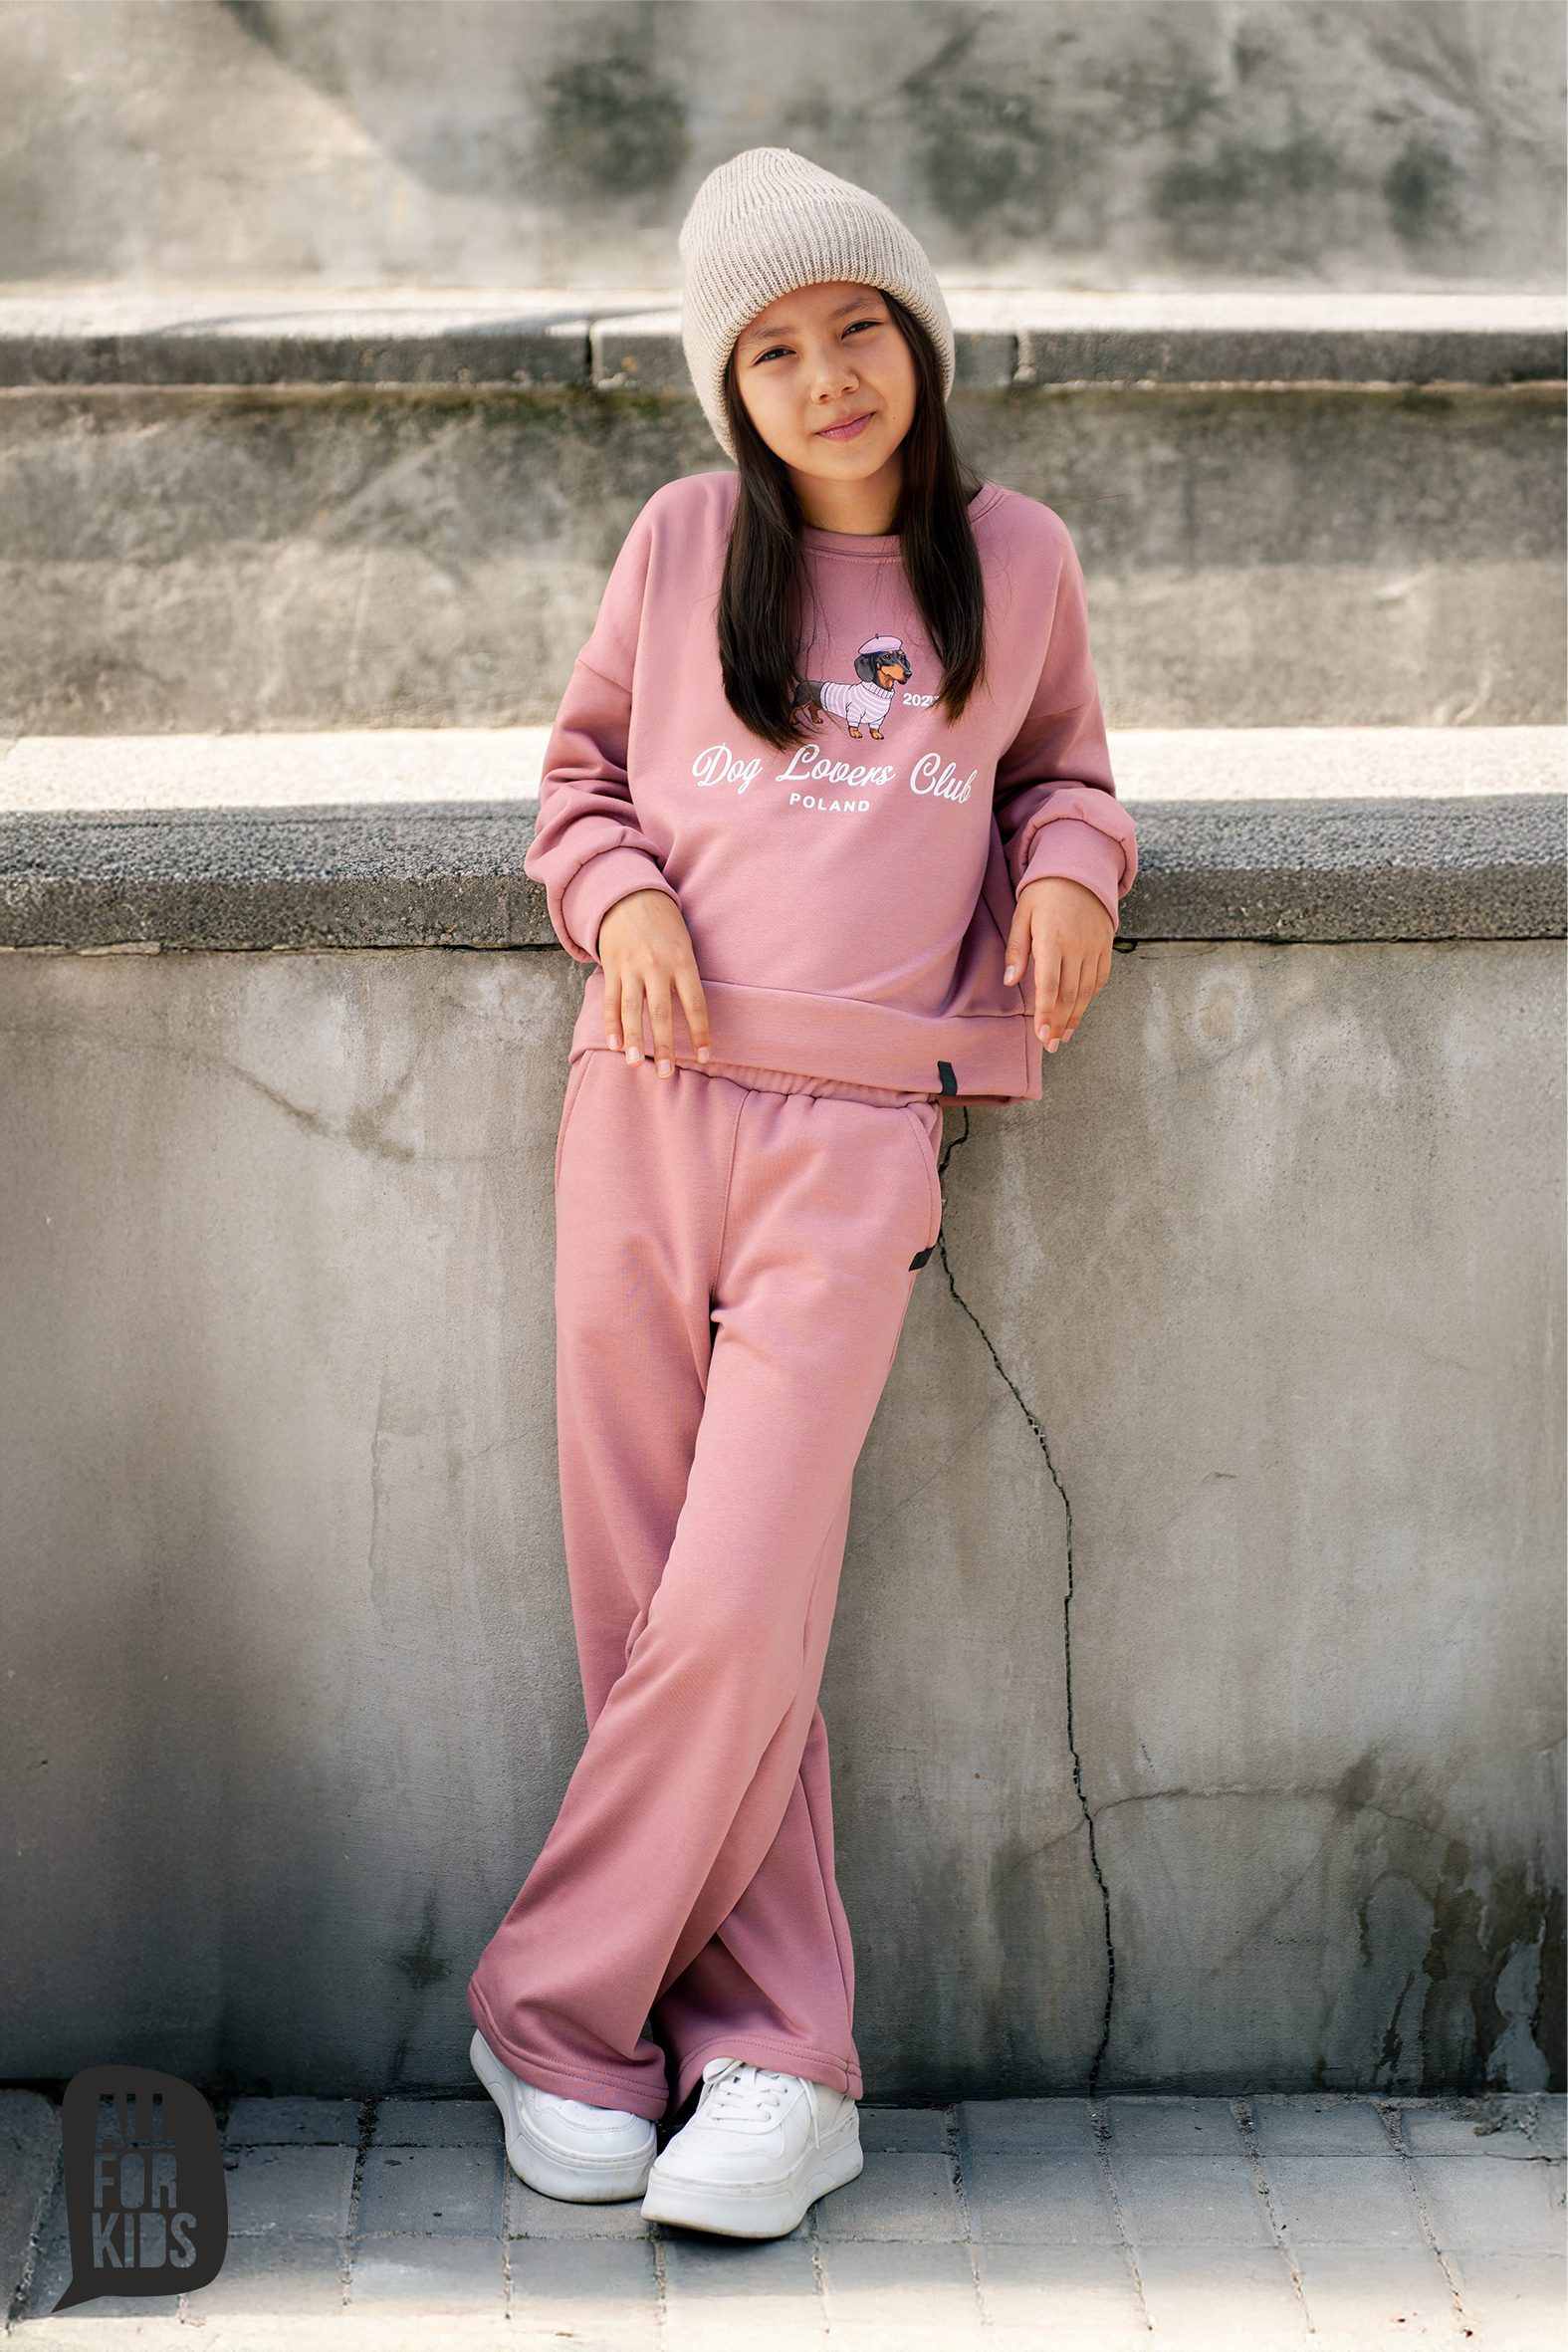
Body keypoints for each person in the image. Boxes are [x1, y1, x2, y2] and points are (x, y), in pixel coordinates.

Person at [466, 145, 1139, 2241]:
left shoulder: (1013, 559)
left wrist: (1069, 871)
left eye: (857, 325)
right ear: (730, 392)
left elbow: (1067, 774)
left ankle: (551, 2002)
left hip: (855, 1133)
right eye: (771, 350)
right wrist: (618, 898)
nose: (825, 374)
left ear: (917, 340)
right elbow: (577, 779)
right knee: (645, 1602)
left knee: (740, 1598)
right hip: (647, 1095)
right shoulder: (683, 545)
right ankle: (760, 2051)